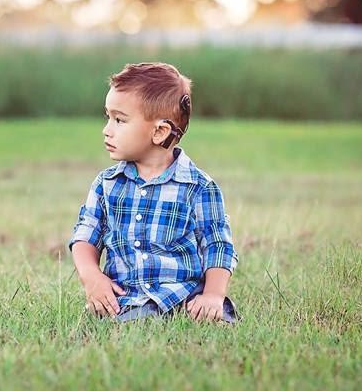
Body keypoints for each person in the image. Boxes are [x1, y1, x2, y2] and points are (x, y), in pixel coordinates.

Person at [68, 62, 239, 323]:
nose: (106, 129)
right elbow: (85, 237)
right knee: (115, 324)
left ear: (159, 132)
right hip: (126, 298)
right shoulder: (107, 185)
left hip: (184, 296)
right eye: (108, 117)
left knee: (214, 319)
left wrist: (213, 295)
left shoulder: (199, 187)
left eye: (119, 120)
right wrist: (92, 278)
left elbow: (217, 245)